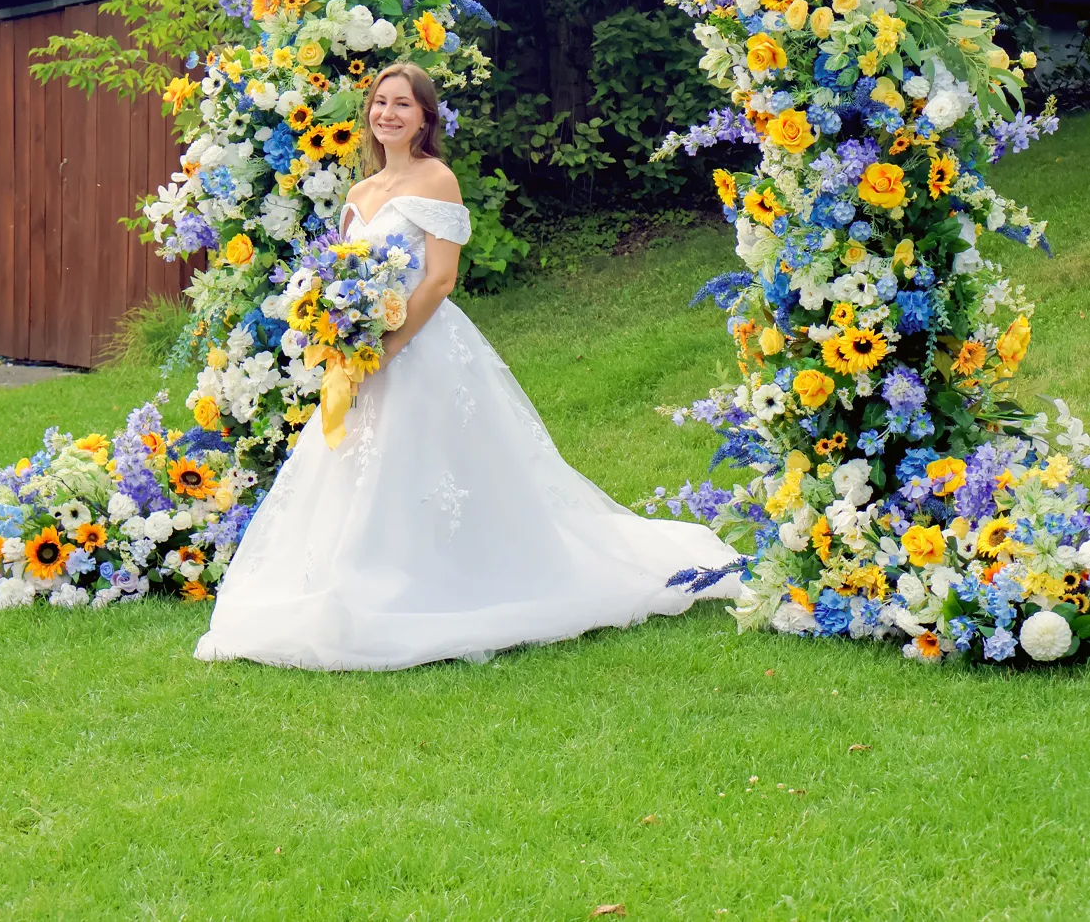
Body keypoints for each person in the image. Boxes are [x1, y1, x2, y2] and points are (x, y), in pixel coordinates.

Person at [194, 62, 743, 669]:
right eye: (380, 103)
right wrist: (341, 338)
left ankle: (451, 580)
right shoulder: (357, 195)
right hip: (358, 357)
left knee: (430, 463)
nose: (389, 114)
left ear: (425, 117)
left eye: (403, 104)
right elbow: (341, 275)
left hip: (421, 346)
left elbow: (440, 278)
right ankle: (350, 579)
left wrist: (388, 347)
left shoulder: (437, 180)